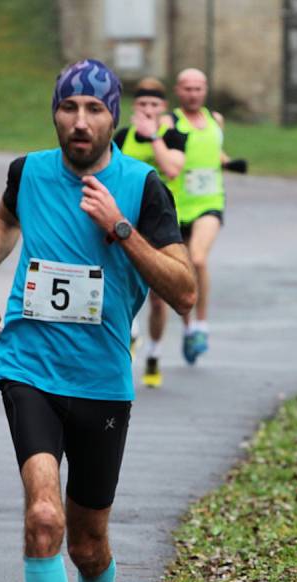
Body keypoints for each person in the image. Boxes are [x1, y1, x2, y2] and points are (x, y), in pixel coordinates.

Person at [0, 59, 196, 582]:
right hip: (27, 365)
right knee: (44, 518)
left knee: (89, 543)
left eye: (94, 109)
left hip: (100, 384)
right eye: (68, 108)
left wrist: (122, 229)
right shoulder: (28, 170)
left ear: (113, 117)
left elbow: (182, 290)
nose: (79, 122)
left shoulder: (141, 187)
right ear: (55, 113)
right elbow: (7, 216)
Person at [162, 68, 247, 365]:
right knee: (184, 268)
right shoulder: (168, 121)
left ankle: (202, 325)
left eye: (198, 88)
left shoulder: (216, 120)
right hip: (177, 204)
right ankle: (188, 331)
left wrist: (231, 163)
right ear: (178, 90)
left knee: (198, 258)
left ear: (206, 90)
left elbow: (215, 151)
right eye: (188, 88)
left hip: (210, 202)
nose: (193, 94)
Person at [114, 77, 187, 387]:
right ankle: (130, 335)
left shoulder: (173, 136)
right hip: (125, 224)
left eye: (153, 105)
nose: (147, 110)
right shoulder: (122, 137)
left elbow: (171, 169)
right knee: (121, 287)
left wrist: (153, 137)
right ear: (134, 107)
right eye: (142, 104)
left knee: (158, 300)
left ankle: (155, 354)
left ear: (163, 109)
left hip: (161, 228)